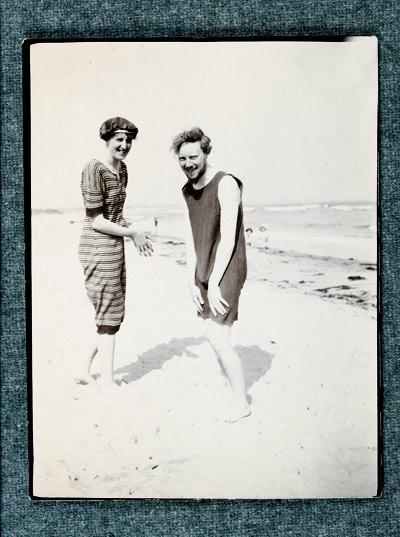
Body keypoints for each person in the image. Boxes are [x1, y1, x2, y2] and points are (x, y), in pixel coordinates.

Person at [172, 127, 250, 422]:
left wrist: (215, 282)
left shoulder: (226, 183)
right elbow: (190, 240)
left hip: (228, 266)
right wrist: (191, 280)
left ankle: (241, 401)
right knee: (210, 333)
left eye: (193, 157)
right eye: (182, 159)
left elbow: (229, 239)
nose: (188, 163)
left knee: (218, 337)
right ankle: (227, 390)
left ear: (206, 152)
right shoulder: (186, 190)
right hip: (204, 265)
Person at [77, 117, 153, 388]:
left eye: (128, 140)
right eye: (119, 140)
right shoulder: (93, 169)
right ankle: (107, 382)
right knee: (109, 312)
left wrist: (135, 227)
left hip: (114, 245)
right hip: (97, 247)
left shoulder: (122, 170)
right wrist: (132, 234)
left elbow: (116, 215)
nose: (124, 145)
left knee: (111, 311)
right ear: (107, 141)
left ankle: (82, 369)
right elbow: (97, 220)